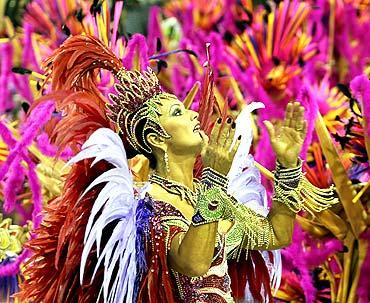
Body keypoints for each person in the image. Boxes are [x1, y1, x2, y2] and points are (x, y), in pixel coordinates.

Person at [17, 35, 338, 303]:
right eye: (178, 112)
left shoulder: (208, 197)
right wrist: (213, 179)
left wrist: (288, 165)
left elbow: (275, 234)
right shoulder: (145, 206)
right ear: (157, 138)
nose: (195, 115)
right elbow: (193, 261)